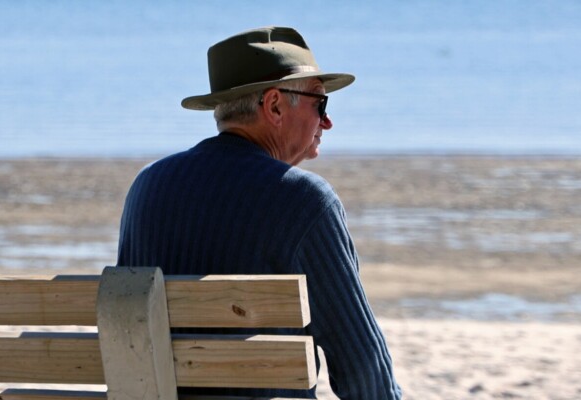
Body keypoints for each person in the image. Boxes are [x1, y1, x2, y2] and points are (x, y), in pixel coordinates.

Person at [116, 26, 402, 399]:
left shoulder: (147, 187)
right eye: (321, 104)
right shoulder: (304, 201)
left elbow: (128, 328)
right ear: (275, 106)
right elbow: (365, 372)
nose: (327, 122)